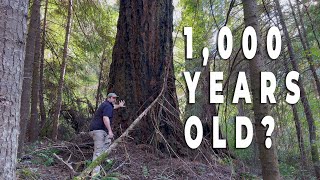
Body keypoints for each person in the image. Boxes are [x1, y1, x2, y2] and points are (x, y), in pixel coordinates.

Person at [89, 92, 125, 176]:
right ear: (108, 98)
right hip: (99, 131)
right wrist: (110, 131)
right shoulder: (107, 106)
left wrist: (119, 106)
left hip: (97, 130)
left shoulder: (107, 105)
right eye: (113, 98)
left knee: (102, 149)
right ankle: (95, 175)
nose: (115, 99)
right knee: (98, 152)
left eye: (115, 98)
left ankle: (97, 171)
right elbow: (105, 118)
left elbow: (113, 107)